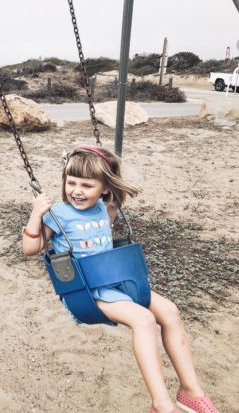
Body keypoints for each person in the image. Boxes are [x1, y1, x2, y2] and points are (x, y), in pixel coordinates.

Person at [22, 146, 220, 413]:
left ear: (104, 188)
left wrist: (109, 166)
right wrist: (37, 213)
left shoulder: (106, 209)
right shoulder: (59, 214)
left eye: (87, 185)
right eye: (71, 183)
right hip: (89, 293)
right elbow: (29, 248)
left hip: (118, 282)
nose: (77, 191)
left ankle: (190, 391)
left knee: (170, 312)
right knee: (145, 320)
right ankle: (161, 405)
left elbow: (114, 186)